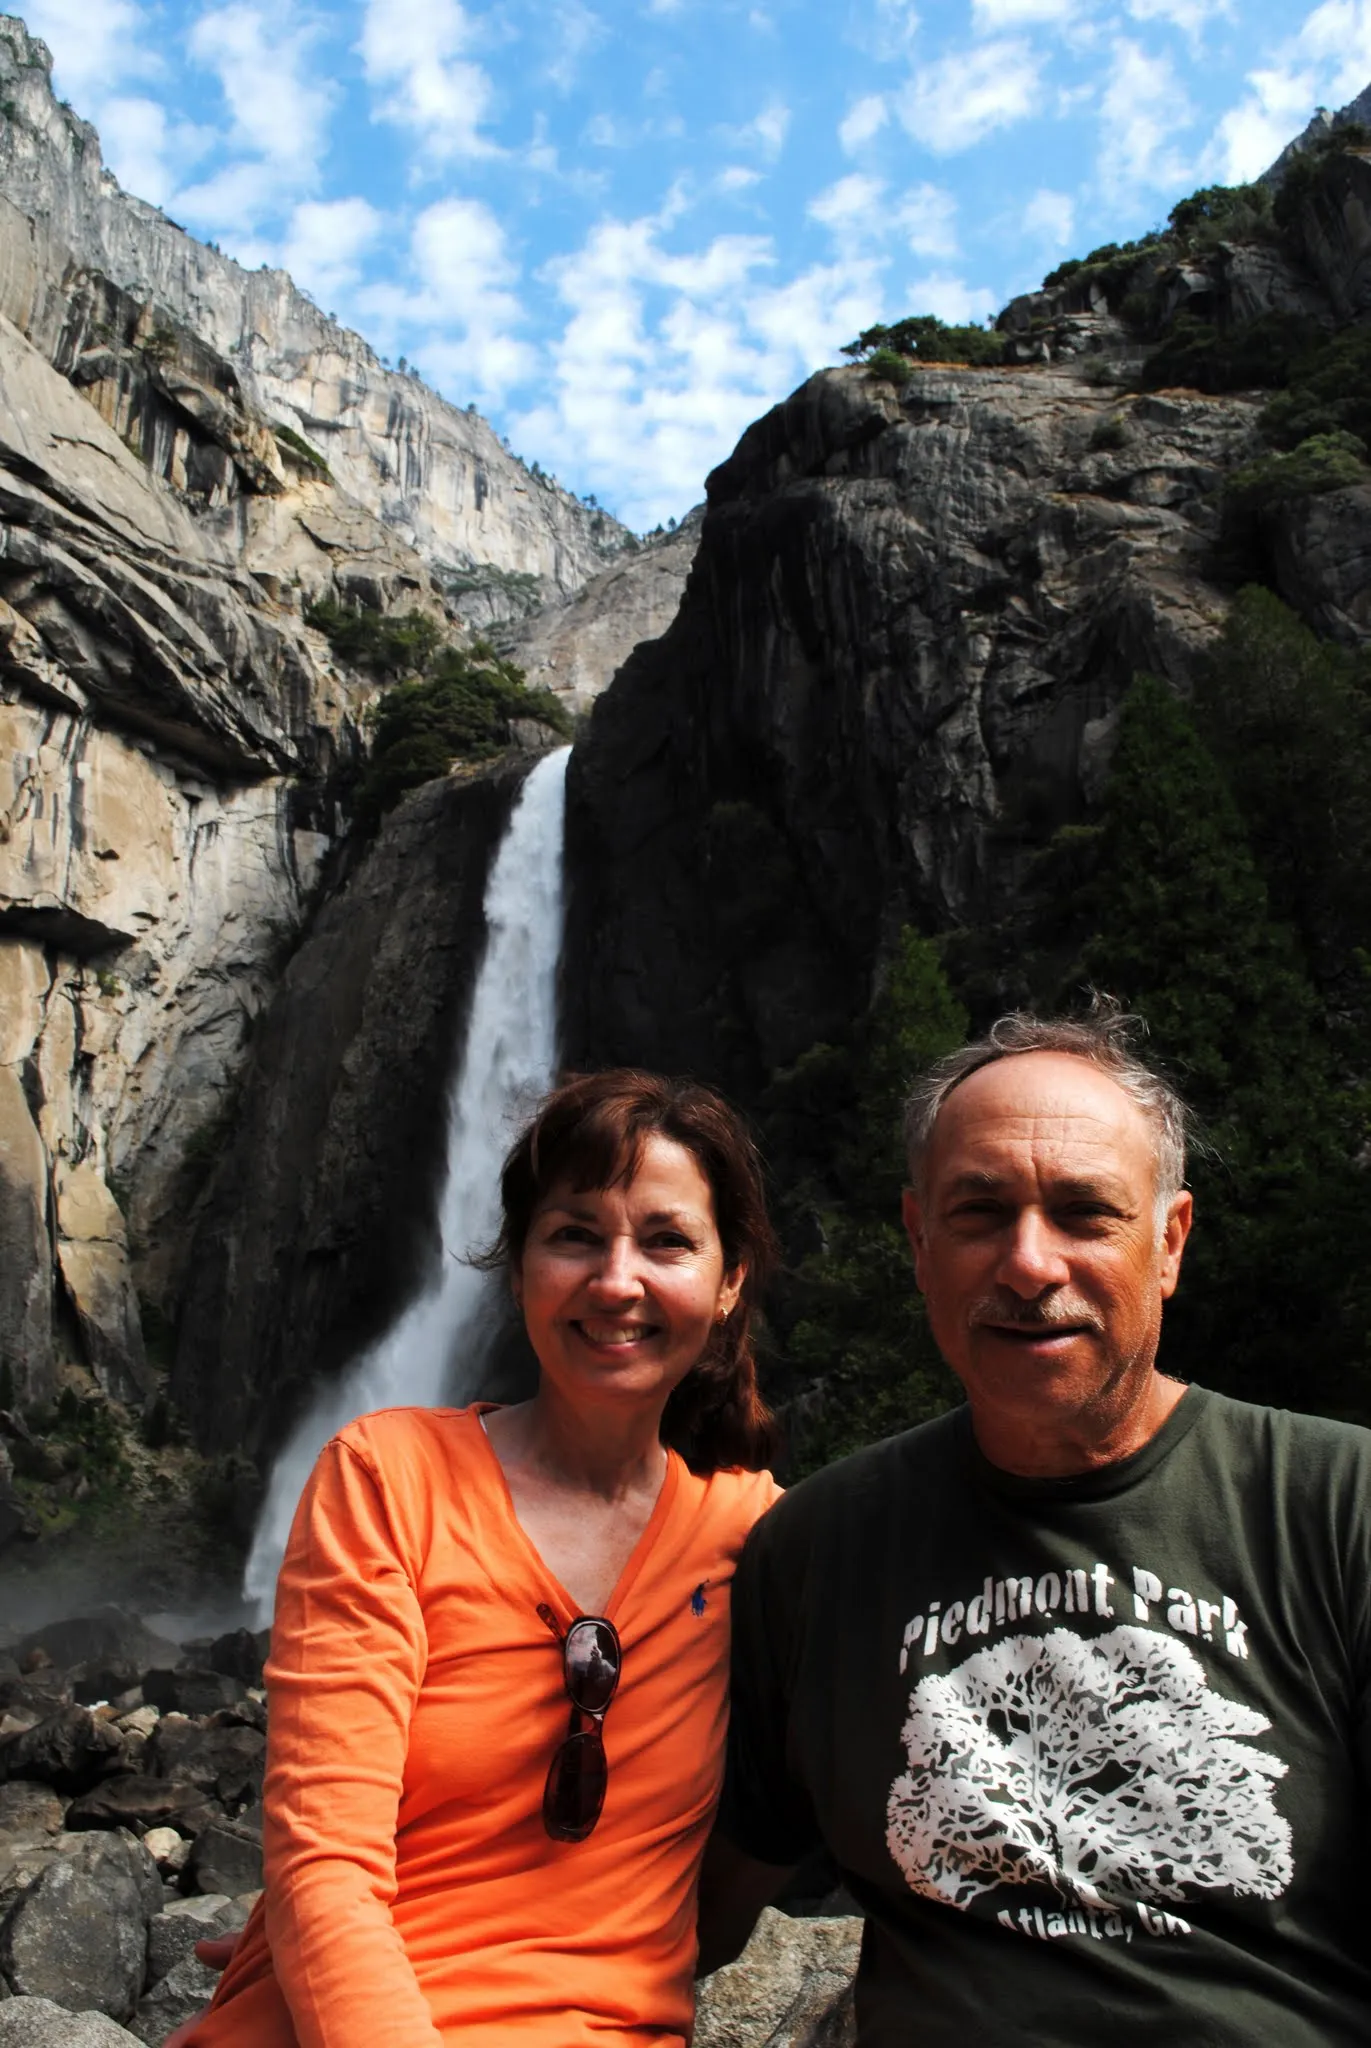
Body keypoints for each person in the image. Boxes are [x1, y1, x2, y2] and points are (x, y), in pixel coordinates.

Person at [699, 1003, 1371, 2044]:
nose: (1028, 1262)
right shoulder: (819, 1548)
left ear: (1169, 1242)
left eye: (1084, 1212)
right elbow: (699, 1896)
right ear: (920, 1240)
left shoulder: (1338, 1505)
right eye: (980, 1212)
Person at [182, 1068, 781, 2048]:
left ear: (728, 1283)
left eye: (666, 1240)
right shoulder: (386, 1475)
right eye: (574, 1233)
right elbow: (326, 1863)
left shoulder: (763, 1542)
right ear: (518, 1268)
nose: (617, 1279)